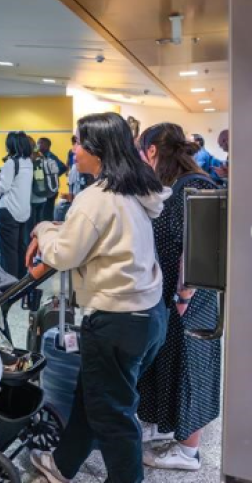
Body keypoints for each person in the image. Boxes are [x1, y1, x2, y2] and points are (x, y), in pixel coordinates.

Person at [28, 112, 169, 483]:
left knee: (111, 413)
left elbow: (63, 255)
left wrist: (43, 229)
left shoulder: (95, 198)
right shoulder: (135, 189)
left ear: (97, 148)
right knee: (93, 396)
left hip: (115, 320)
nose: (72, 150)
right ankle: (61, 465)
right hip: (149, 315)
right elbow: (103, 236)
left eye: (77, 142)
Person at [136, 123, 221, 471]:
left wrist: (183, 295)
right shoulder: (175, 186)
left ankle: (188, 452)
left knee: (191, 369)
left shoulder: (194, 186)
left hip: (190, 298)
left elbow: (197, 247)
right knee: (167, 363)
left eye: (142, 151)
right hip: (174, 296)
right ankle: (163, 425)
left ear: (153, 150)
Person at [0, 131, 34, 279]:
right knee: (20, 248)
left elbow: (3, 187)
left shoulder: (11, 163)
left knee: (8, 251)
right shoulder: (29, 162)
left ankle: (8, 287)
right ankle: (19, 282)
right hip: (23, 212)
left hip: (8, 211)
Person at [37, 137, 68, 222]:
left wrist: (52, 176)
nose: (37, 145)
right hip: (47, 189)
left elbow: (63, 167)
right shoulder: (42, 156)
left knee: (46, 214)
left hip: (50, 189)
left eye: (40, 143)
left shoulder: (50, 156)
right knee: (44, 213)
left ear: (46, 145)